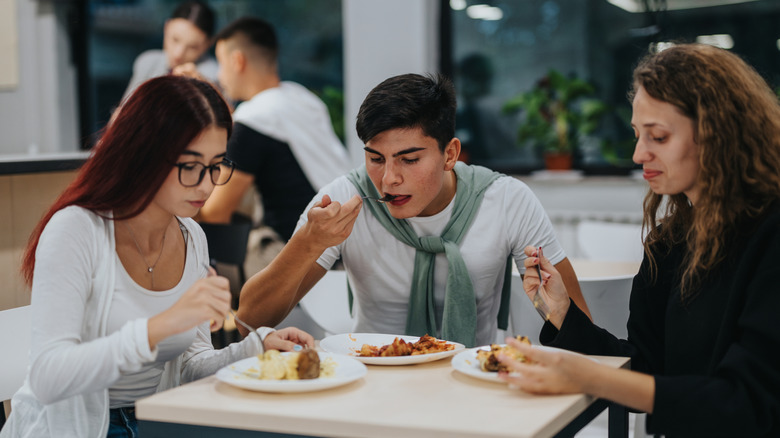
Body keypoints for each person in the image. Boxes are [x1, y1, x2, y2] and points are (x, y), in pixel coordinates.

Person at [1, 76, 314, 438]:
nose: (206, 185)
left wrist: (255, 347)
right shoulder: (76, 230)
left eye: (216, 166)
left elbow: (190, 366)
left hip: (155, 420)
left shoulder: (190, 236)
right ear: (142, 154)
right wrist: (161, 325)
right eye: (189, 166)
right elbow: (48, 377)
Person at [498, 43, 780, 437]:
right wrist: (563, 314)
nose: (638, 154)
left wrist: (591, 378)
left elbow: (748, 405)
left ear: (719, 134)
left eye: (658, 137)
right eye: (637, 135)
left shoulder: (770, 237)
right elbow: (645, 367)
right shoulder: (669, 244)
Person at [235, 73, 590, 348]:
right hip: (373, 380)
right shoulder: (344, 198)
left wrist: (549, 312)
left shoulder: (507, 199)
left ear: (450, 154)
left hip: (472, 382)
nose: (388, 179)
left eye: (409, 159)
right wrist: (307, 245)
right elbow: (249, 320)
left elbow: (581, 325)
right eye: (375, 159)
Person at [198, 17, 350, 242]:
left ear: (237, 61)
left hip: (298, 250)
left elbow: (215, 213)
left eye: (220, 63)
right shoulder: (302, 99)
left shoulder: (254, 119)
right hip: (345, 237)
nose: (219, 76)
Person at [122, 1, 218, 100]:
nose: (178, 54)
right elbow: (122, 110)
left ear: (208, 44)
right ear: (166, 27)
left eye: (192, 47)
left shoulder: (213, 78)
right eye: (175, 40)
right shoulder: (148, 63)